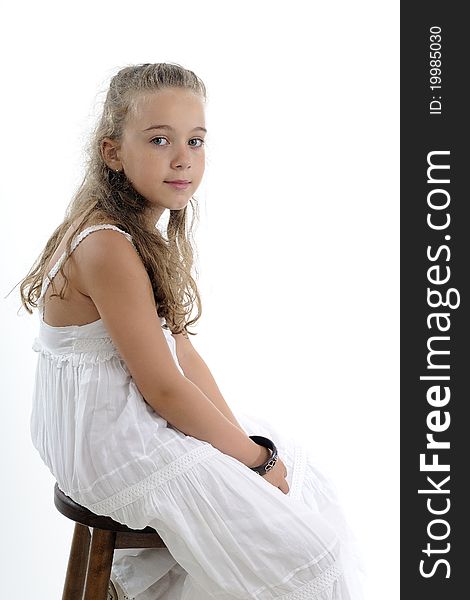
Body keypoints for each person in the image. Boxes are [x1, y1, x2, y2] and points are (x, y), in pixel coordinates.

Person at [19, 63, 364, 599]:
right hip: (108, 443)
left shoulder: (140, 235)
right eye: (160, 140)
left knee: (298, 468)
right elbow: (164, 387)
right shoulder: (108, 245)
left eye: (196, 141)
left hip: (125, 420)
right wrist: (252, 462)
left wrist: (250, 449)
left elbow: (184, 359)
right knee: (303, 548)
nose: (183, 159)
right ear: (113, 152)